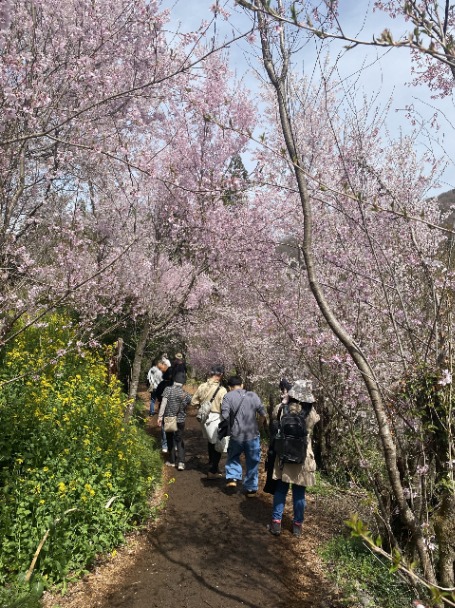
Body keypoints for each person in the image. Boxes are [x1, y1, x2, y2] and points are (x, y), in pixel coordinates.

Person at [268, 379, 320, 538]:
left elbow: (273, 417)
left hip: (284, 455)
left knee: (281, 489)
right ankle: (297, 525)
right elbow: (315, 421)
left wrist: (284, 401)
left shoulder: (281, 408)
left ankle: (276, 523)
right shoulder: (310, 412)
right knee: (299, 493)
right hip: (302, 457)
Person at [221, 375, 266, 495]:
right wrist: (259, 426)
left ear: (229, 387)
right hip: (252, 434)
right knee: (253, 461)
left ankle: (233, 477)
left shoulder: (228, 396)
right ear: (242, 385)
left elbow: (224, 416)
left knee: (233, 455)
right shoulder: (253, 395)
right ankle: (251, 488)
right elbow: (263, 414)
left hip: (236, 434)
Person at [191, 364, 227, 478]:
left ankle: (212, 464)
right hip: (215, 417)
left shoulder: (202, 386)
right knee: (218, 444)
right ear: (220, 375)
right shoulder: (222, 390)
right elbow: (224, 407)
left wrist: (202, 407)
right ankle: (213, 471)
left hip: (204, 417)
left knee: (211, 442)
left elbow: (193, 401)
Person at [158, 380, 191, 470]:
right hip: (180, 420)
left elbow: (163, 404)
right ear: (182, 384)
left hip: (169, 419)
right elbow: (190, 403)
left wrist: (160, 417)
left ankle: (172, 461)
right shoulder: (185, 394)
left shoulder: (168, 390)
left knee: (170, 439)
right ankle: (181, 463)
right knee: (179, 440)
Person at [155, 356, 173, 454]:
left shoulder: (161, 384)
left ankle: (165, 446)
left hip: (163, 405)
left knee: (163, 427)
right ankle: (173, 444)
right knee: (172, 426)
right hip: (173, 407)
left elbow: (157, 394)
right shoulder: (174, 385)